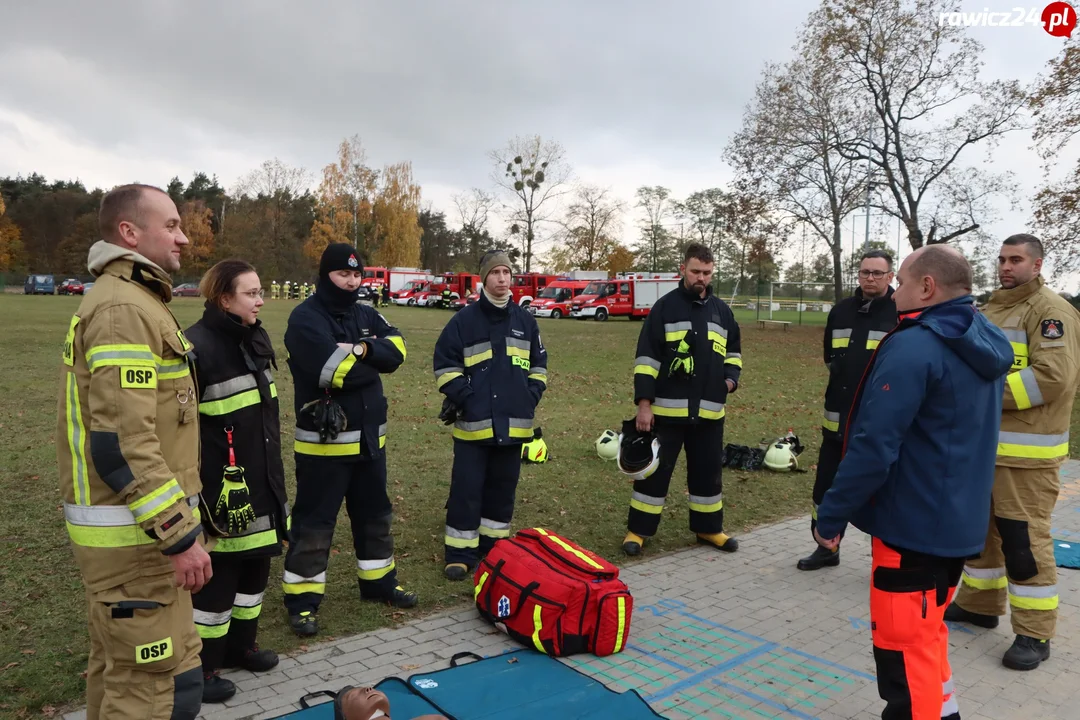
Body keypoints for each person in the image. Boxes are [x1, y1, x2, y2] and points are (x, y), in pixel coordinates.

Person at [814, 245, 1013, 720]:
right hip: (953, 522)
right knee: (926, 640)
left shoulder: (916, 344)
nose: (895, 289)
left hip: (912, 525)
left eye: (901, 280)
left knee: (902, 652)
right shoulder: (978, 334)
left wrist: (832, 514)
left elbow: (873, 444)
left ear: (927, 287)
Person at [56, 183, 212, 720]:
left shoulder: (137, 300)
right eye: (170, 225)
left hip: (138, 544)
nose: (184, 237)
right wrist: (178, 534)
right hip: (141, 544)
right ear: (129, 232)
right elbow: (122, 441)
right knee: (158, 691)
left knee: (119, 677)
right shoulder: (124, 308)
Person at [946, 233, 1080, 670]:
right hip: (984, 448)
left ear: (1038, 265)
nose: (1006, 267)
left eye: (1016, 260)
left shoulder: (1052, 312)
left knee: (1023, 543)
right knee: (980, 534)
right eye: (1002, 259)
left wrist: (981, 394)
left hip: (1027, 457)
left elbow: (1053, 377)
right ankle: (980, 606)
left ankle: (1034, 634)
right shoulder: (990, 308)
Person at [281, 243, 416, 637]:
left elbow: (399, 350)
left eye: (357, 275)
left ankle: (378, 584)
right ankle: (302, 602)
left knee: (376, 517)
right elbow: (334, 372)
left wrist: (360, 349)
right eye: (344, 275)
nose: (352, 282)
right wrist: (371, 363)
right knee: (314, 524)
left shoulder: (366, 313)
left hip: (371, 443)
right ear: (326, 276)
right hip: (325, 447)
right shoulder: (304, 319)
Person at [184, 260, 290, 703]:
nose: (260, 300)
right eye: (251, 293)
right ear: (223, 298)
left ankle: (242, 647)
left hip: (262, 476)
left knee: (255, 569)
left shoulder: (255, 339)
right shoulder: (196, 346)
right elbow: (182, 428)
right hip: (223, 488)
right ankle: (203, 668)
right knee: (220, 576)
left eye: (260, 290)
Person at [433, 250, 548, 580]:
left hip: (514, 424)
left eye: (506, 272)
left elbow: (539, 367)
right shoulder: (464, 321)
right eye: (495, 272)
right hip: (474, 426)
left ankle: (494, 550)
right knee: (466, 490)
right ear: (483, 278)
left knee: (502, 490)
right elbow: (445, 365)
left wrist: (529, 397)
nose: (502, 278)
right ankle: (459, 553)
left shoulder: (525, 321)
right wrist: (466, 398)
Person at [623, 243, 742, 556]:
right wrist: (644, 405)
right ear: (683, 270)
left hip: (710, 414)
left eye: (706, 272)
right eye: (695, 271)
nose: (700, 277)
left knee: (707, 473)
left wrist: (730, 380)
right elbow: (646, 359)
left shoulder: (722, 311)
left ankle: (708, 529)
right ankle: (638, 532)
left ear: (712, 272)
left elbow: (734, 352)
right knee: (653, 474)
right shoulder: (664, 308)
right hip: (666, 413)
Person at [799, 249, 897, 571]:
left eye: (877, 273)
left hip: (875, 423)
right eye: (865, 272)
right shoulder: (840, 311)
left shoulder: (899, 312)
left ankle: (885, 561)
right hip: (836, 420)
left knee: (882, 493)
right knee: (824, 489)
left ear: (890, 276)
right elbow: (831, 357)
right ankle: (826, 547)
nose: (870, 278)